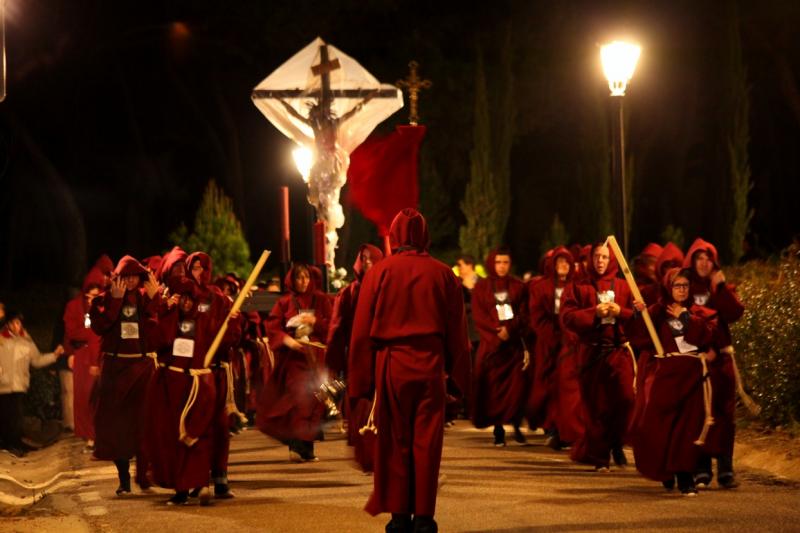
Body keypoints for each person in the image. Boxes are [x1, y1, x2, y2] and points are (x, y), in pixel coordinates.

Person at [349, 208, 470, 533]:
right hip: (430, 365)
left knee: (395, 441)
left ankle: (400, 516)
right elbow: (458, 333)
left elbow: (360, 332)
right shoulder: (444, 274)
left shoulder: (379, 273)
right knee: (427, 444)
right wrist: (460, 381)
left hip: (391, 364)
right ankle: (424, 518)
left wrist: (360, 384)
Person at [147, 272, 239, 505]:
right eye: (182, 297)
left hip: (200, 385)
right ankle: (181, 490)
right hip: (175, 385)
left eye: (190, 298)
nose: (186, 302)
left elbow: (227, 340)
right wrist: (163, 309)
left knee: (200, 437)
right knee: (175, 439)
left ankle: (200, 484)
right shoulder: (171, 318)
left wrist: (233, 320)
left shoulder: (206, 320)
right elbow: (159, 342)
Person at [630, 267, 719, 497]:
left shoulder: (696, 311)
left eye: (685, 286)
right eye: (677, 285)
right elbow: (641, 335)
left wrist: (685, 317)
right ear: (669, 287)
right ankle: (665, 470)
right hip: (667, 375)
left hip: (692, 375)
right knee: (661, 427)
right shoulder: (658, 311)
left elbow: (708, 335)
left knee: (687, 429)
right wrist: (640, 315)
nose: (681, 290)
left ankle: (684, 476)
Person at [560, 243, 637, 471]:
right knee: (596, 406)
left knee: (625, 400)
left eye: (604, 257)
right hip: (591, 353)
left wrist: (619, 312)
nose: (600, 261)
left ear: (611, 260)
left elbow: (638, 316)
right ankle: (599, 456)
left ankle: (616, 442)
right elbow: (567, 317)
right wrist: (593, 313)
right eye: (596, 257)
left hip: (618, 351)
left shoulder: (624, 286)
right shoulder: (578, 286)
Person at [90, 256, 160, 496]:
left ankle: (144, 475)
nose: (130, 281)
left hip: (142, 368)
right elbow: (98, 327)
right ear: (118, 278)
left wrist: (154, 299)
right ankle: (123, 480)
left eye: (135, 276)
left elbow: (156, 327)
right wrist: (115, 302)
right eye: (126, 276)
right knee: (117, 427)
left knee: (143, 424)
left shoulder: (145, 299)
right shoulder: (102, 300)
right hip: (114, 370)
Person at [683, 238, 744, 490]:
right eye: (699, 258)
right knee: (700, 413)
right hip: (698, 360)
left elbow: (735, 313)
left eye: (708, 259)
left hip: (722, 360)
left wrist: (721, 290)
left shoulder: (721, 287)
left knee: (725, 414)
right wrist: (702, 347)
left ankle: (726, 468)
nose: (704, 263)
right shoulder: (684, 287)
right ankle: (702, 468)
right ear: (692, 261)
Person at [257, 263, 332, 462]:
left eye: (306, 277)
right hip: (294, 360)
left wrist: (316, 322)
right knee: (299, 400)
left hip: (316, 358)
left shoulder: (321, 300)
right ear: (292, 279)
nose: (303, 281)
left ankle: (306, 448)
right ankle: (296, 446)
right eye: (299, 277)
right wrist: (287, 340)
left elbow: (332, 325)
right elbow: (273, 326)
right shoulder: (284, 302)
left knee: (315, 401)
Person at [326, 244, 384, 472]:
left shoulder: (387, 288)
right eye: (364, 258)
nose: (368, 262)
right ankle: (368, 455)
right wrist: (334, 362)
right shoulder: (349, 293)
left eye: (372, 258)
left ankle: (385, 456)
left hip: (383, 356)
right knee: (362, 406)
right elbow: (337, 328)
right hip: (359, 358)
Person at [470, 247, 531, 447]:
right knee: (493, 390)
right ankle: (498, 429)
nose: (502, 266)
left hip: (512, 347)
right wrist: (496, 333)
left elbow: (523, 313)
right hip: (491, 347)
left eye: (505, 262)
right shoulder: (482, 287)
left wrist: (510, 330)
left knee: (516, 389)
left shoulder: (518, 286)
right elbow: (479, 316)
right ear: (491, 263)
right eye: (498, 262)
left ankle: (515, 423)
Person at [527, 246, 575, 449]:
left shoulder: (576, 286)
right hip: (548, 344)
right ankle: (551, 426)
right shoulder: (541, 287)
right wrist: (553, 337)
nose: (563, 266)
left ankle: (565, 429)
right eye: (559, 262)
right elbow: (537, 317)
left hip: (571, 343)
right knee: (547, 386)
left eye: (566, 262)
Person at [0, 311, 65, 457]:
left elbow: (37, 361)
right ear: (8, 324)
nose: (17, 326)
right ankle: (8, 444)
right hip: (2, 386)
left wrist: (54, 355)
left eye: (19, 322)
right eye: (14, 323)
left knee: (16, 417)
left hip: (19, 386)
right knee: (5, 416)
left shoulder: (26, 341)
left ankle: (14, 444)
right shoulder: (2, 340)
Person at [63, 266, 105, 452]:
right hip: (83, 356)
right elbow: (71, 332)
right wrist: (70, 351)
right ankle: (89, 435)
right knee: (83, 397)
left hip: (100, 356)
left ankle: (100, 435)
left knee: (100, 397)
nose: (92, 299)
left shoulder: (105, 306)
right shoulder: (74, 306)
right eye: (90, 295)